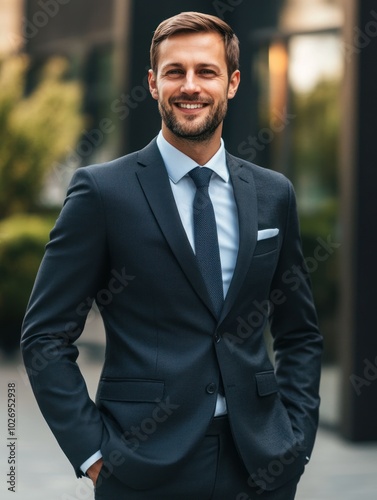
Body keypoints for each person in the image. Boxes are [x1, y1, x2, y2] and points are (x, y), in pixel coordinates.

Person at [21, 11, 322, 500]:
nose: (190, 86)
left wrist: (297, 442)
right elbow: (45, 337)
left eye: (206, 71)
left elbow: (299, 332)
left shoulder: (274, 194)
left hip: (261, 464)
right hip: (142, 467)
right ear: (153, 83)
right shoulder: (102, 192)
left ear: (233, 83)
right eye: (174, 71)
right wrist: (95, 456)